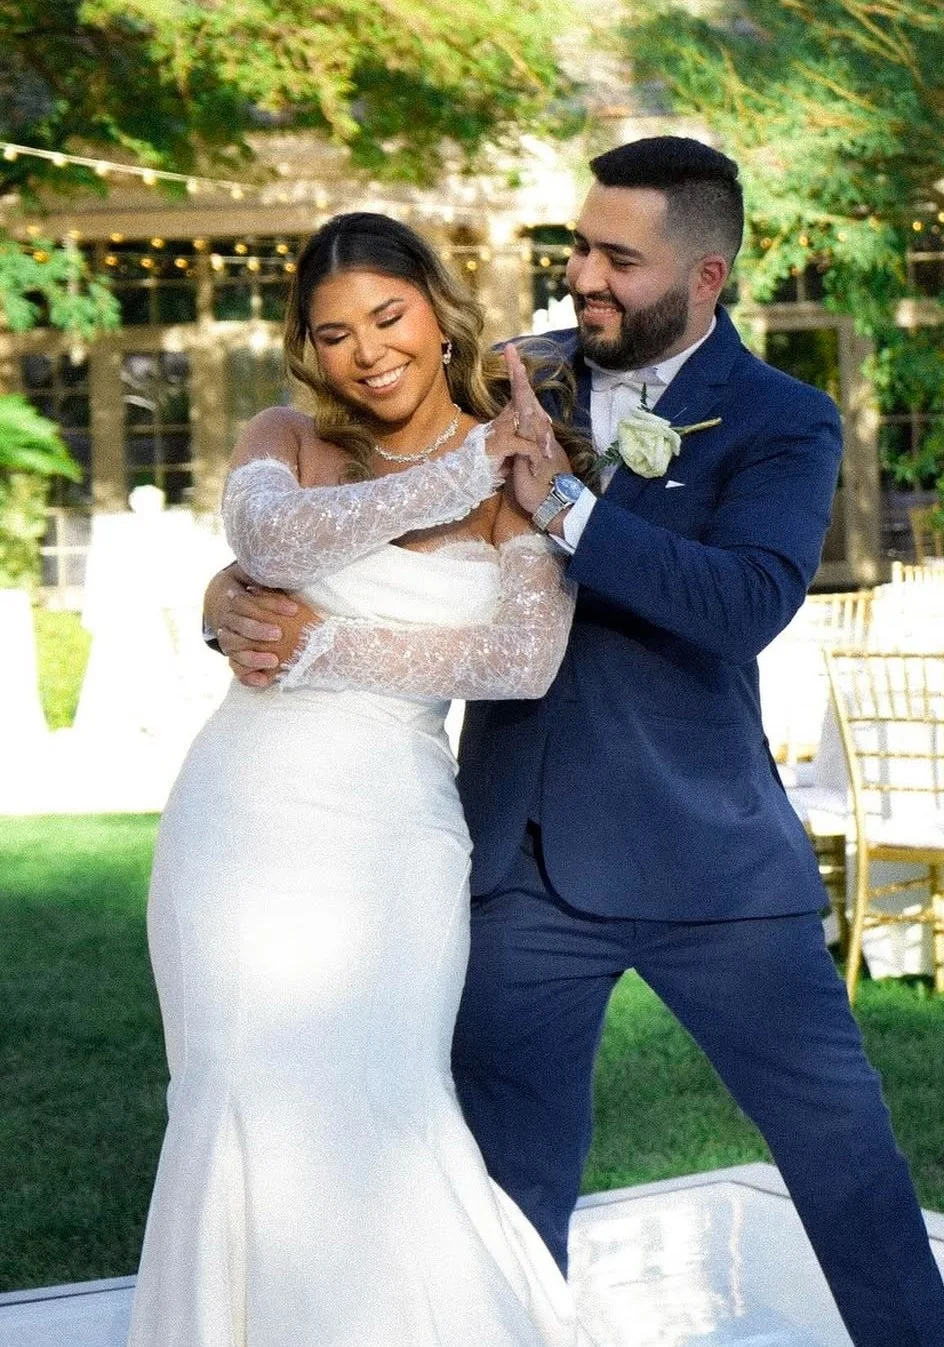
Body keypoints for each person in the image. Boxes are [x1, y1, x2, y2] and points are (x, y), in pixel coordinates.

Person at [212, 140, 944, 1346]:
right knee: (503, 1198)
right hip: (516, 866)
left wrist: (566, 504)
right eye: (579, 247)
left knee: (845, 1159)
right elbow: (352, 501)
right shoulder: (511, 377)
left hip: (713, 864)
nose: (584, 276)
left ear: (706, 274)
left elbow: (742, 606)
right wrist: (225, 596)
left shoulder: (785, 419)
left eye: (620, 257)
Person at [131, 212, 593, 1347]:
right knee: (232, 1087)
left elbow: (520, 659)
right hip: (238, 816)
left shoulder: (524, 465)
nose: (365, 350)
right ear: (306, 346)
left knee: (382, 1104)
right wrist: (454, 471)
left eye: (388, 317)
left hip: (390, 829)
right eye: (332, 332)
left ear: (437, 314)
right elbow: (277, 549)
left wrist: (326, 648)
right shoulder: (285, 435)